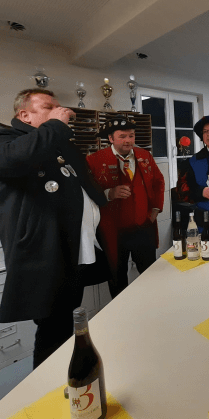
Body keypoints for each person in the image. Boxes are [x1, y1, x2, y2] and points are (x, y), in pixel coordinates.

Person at [0, 88, 108, 368]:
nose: (61, 111)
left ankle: (70, 373)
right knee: (51, 333)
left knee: (67, 325)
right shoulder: (8, 139)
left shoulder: (54, 142)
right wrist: (56, 125)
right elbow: (14, 160)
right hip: (44, 255)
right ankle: (47, 387)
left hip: (74, 250)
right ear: (24, 115)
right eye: (49, 107)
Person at [87, 116, 165, 298]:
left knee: (150, 274)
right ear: (111, 139)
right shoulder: (94, 160)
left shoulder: (145, 156)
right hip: (112, 232)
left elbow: (159, 182)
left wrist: (155, 209)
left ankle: (153, 305)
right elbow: (87, 192)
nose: (128, 140)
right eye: (122, 136)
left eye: (131, 135)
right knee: (116, 278)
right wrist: (109, 193)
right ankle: (121, 311)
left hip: (143, 227)